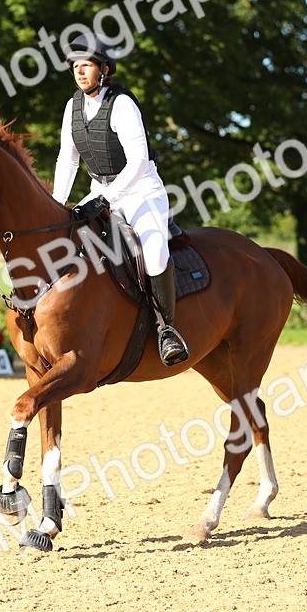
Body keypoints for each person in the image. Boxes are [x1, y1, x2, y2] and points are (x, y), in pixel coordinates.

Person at [51, 33, 189, 366]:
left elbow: (139, 162)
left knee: (154, 252)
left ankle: (166, 329)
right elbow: (67, 160)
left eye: (86, 65)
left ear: (104, 69)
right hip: (99, 188)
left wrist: (107, 198)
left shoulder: (122, 104)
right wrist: (57, 203)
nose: (80, 72)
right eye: (76, 66)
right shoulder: (73, 106)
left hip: (142, 189)